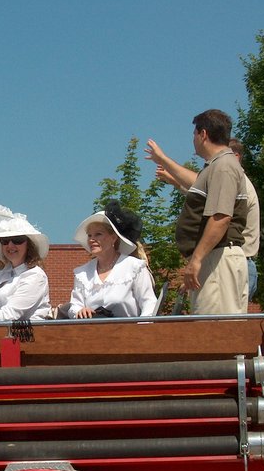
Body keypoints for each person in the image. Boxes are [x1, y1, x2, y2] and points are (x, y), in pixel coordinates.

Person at [144, 109, 248, 314]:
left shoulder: (224, 167)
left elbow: (221, 217)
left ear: (203, 134)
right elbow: (194, 184)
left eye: (194, 134)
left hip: (218, 259)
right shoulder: (215, 167)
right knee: (209, 329)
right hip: (214, 259)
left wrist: (196, 260)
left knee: (216, 333)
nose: (193, 139)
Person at [67, 200, 157, 319]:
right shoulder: (82, 273)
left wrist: (141, 329)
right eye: (89, 235)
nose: (91, 239)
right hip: (92, 333)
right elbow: (74, 306)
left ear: (113, 238)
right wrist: (80, 311)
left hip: (129, 333)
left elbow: (149, 303)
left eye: (98, 234)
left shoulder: (134, 267)